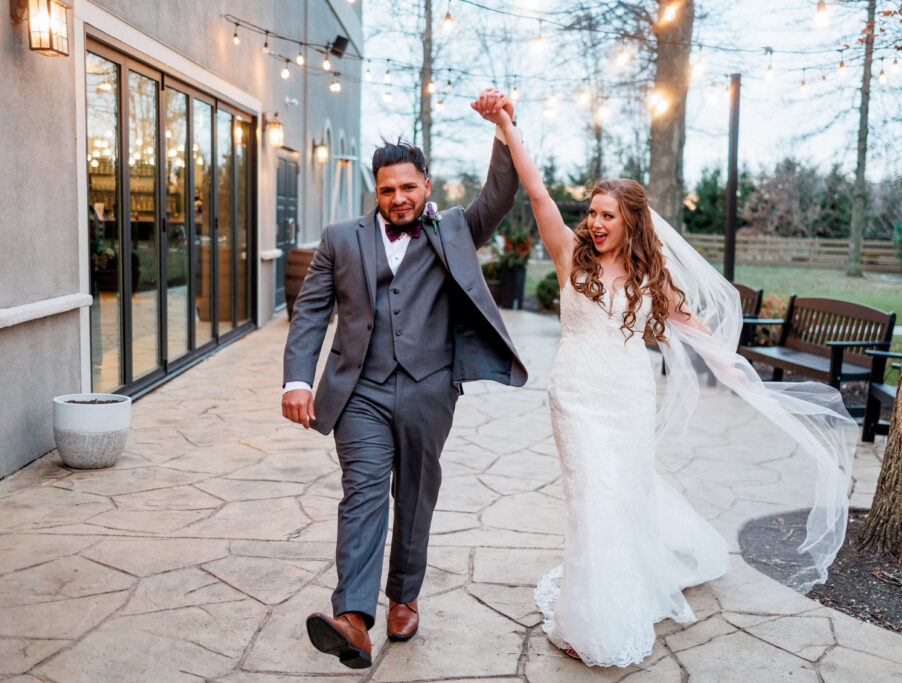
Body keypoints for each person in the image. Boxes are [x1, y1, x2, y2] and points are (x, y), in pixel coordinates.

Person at [472, 100, 857, 667]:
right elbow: (537, 194)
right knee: (588, 501)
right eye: (593, 213)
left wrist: (736, 369)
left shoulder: (650, 276)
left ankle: (612, 592)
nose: (596, 223)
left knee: (619, 496)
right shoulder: (566, 255)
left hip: (627, 396)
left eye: (608, 215)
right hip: (576, 397)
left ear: (631, 222)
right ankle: (587, 619)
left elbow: (690, 324)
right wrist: (507, 128)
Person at [281, 90, 527, 670]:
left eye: (408, 187)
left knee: (415, 496)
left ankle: (405, 595)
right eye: (387, 190)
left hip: (429, 388)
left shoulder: (455, 230)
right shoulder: (341, 239)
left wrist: (501, 126)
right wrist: (296, 380)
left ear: (425, 185)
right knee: (363, 493)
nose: (398, 198)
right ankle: (354, 619)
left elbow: (502, 192)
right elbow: (312, 311)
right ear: (376, 192)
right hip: (357, 391)